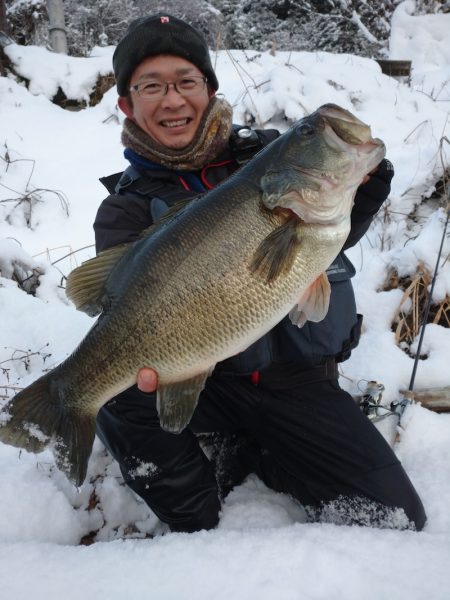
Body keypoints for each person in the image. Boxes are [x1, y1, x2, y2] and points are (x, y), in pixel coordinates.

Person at [94, 13, 426, 533]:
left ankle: (263, 451)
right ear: (126, 104)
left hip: (296, 384)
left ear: (209, 88)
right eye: (151, 86)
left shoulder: (268, 158)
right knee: (115, 391)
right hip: (206, 384)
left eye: (186, 81)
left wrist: (357, 201)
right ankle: (198, 528)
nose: (173, 99)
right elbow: (119, 303)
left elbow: (308, 251)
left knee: (395, 520)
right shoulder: (125, 210)